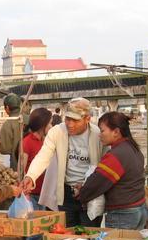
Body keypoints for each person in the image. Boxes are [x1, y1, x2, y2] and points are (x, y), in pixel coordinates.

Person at [22, 97, 105, 227]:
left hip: (89, 192)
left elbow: (105, 165)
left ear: (87, 119)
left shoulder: (98, 135)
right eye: (67, 119)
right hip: (65, 193)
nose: (70, 124)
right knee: (66, 236)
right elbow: (43, 155)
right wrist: (30, 176)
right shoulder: (57, 132)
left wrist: (87, 186)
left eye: (75, 120)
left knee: (89, 235)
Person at [78, 112, 147, 230]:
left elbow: (97, 183)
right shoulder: (133, 148)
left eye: (103, 131)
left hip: (123, 214)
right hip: (139, 208)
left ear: (116, 132)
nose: (100, 135)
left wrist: (81, 193)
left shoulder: (116, 155)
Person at [22, 108, 53, 209]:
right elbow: (22, 169)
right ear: (42, 125)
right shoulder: (27, 142)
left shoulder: (47, 141)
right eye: (49, 124)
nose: (51, 126)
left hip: (43, 193)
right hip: (31, 194)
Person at [0, 93, 22, 170]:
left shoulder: (8, 124)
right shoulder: (29, 118)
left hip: (17, 164)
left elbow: (5, 149)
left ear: (7, 108)